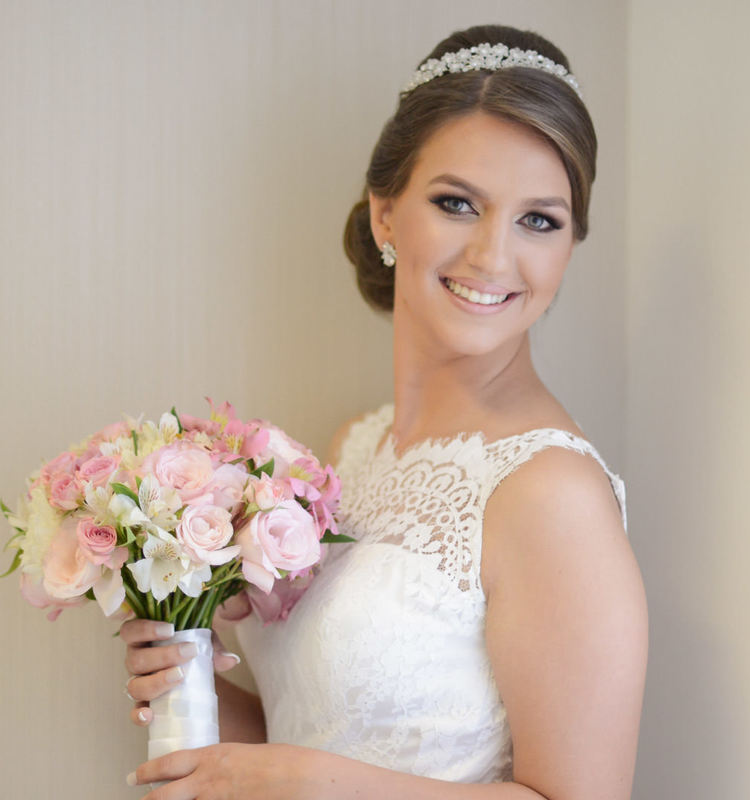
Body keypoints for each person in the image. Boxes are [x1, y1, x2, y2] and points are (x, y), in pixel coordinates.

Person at [120, 23, 647, 800]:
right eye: (458, 203)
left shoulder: (551, 495)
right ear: (385, 216)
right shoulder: (357, 447)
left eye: (540, 219)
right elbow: (316, 733)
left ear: (569, 245)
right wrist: (182, 675)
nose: (494, 257)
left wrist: (306, 782)